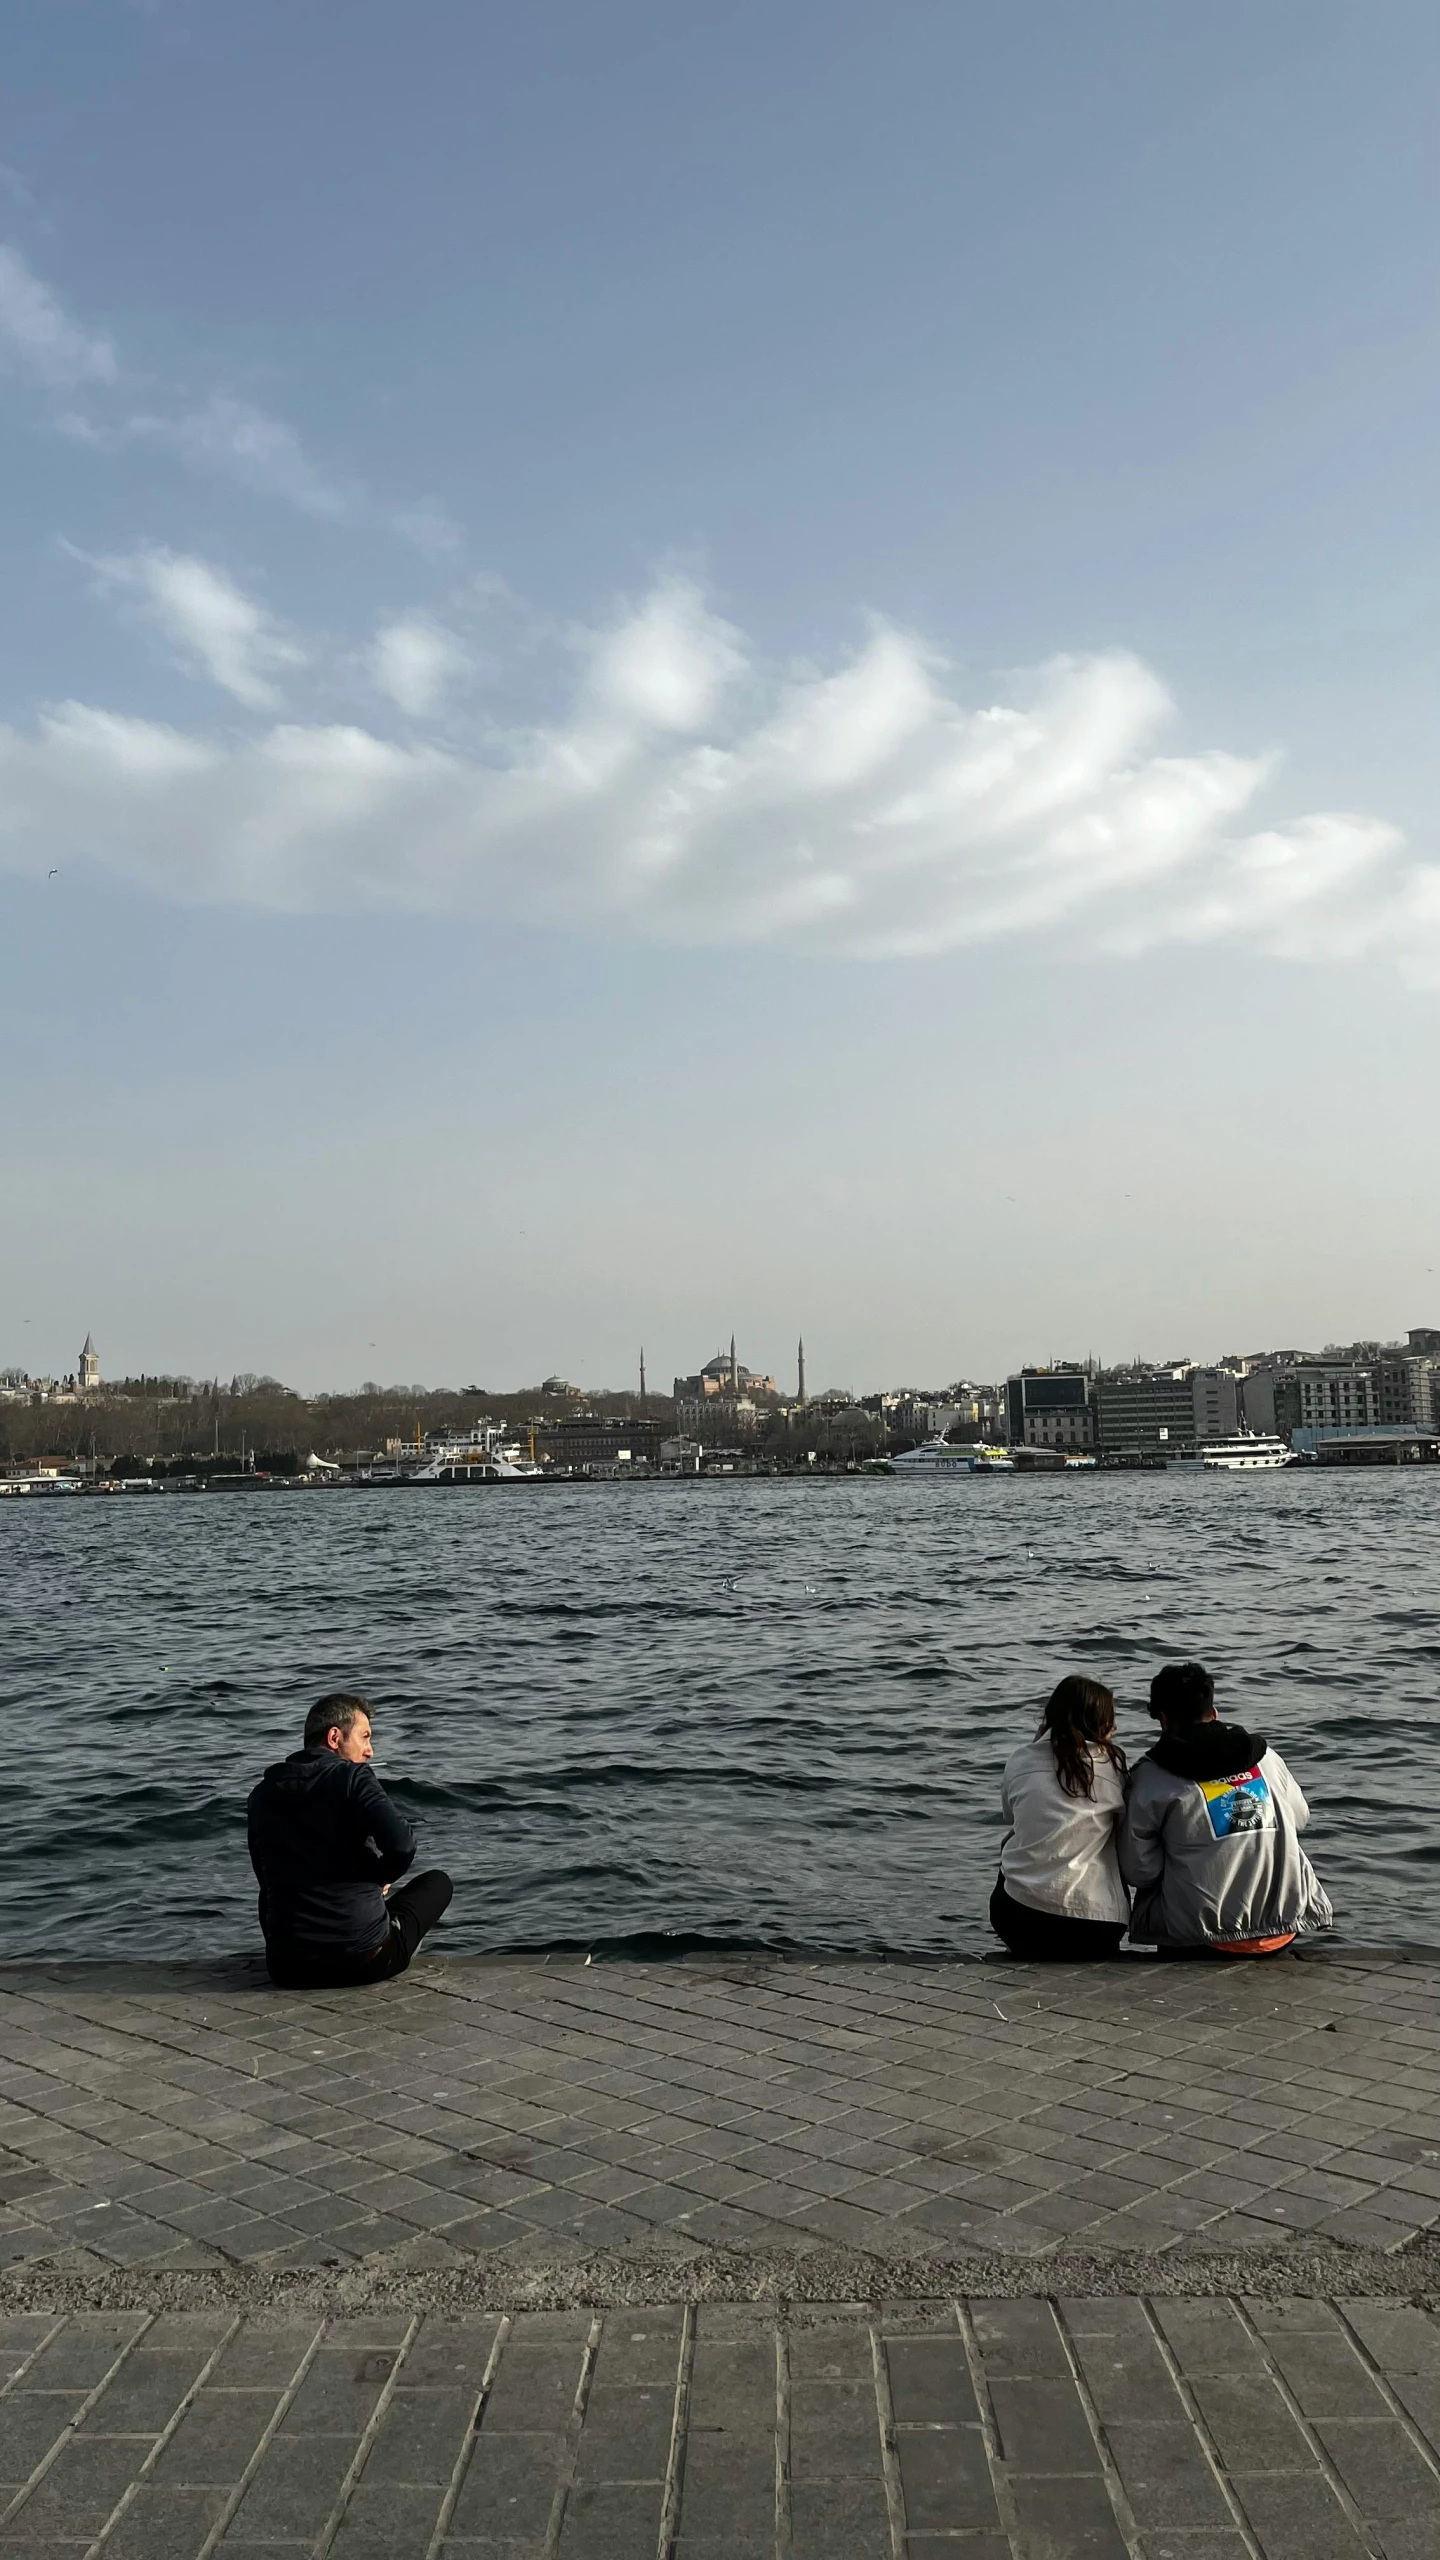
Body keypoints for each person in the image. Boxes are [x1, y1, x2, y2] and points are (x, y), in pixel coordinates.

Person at [1119, 1661, 1331, 1957]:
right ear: (1214, 1713)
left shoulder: (1149, 1778)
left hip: (1199, 1936)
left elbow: (1140, 1871)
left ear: (1163, 1720)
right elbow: (1299, 1818)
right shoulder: (1265, 1758)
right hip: (1282, 1927)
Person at [247, 1693, 453, 1988]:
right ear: (334, 1737)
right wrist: (379, 1877)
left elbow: (263, 1879)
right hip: (364, 1961)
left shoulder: (262, 1794)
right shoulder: (352, 1777)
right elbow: (402, 1846)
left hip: (287, 1968)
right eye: (365, 1737)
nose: (369, 1751)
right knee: (438, 1883)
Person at [990, 1676, 1130, 1959]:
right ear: (1102, 1726)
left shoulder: (1020, 1759)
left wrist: (1035, 1746)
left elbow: (1012, 1817)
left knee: (1011, 1844)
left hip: (1019, 1919)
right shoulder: (1114, 1766)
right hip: (1096, 1926)